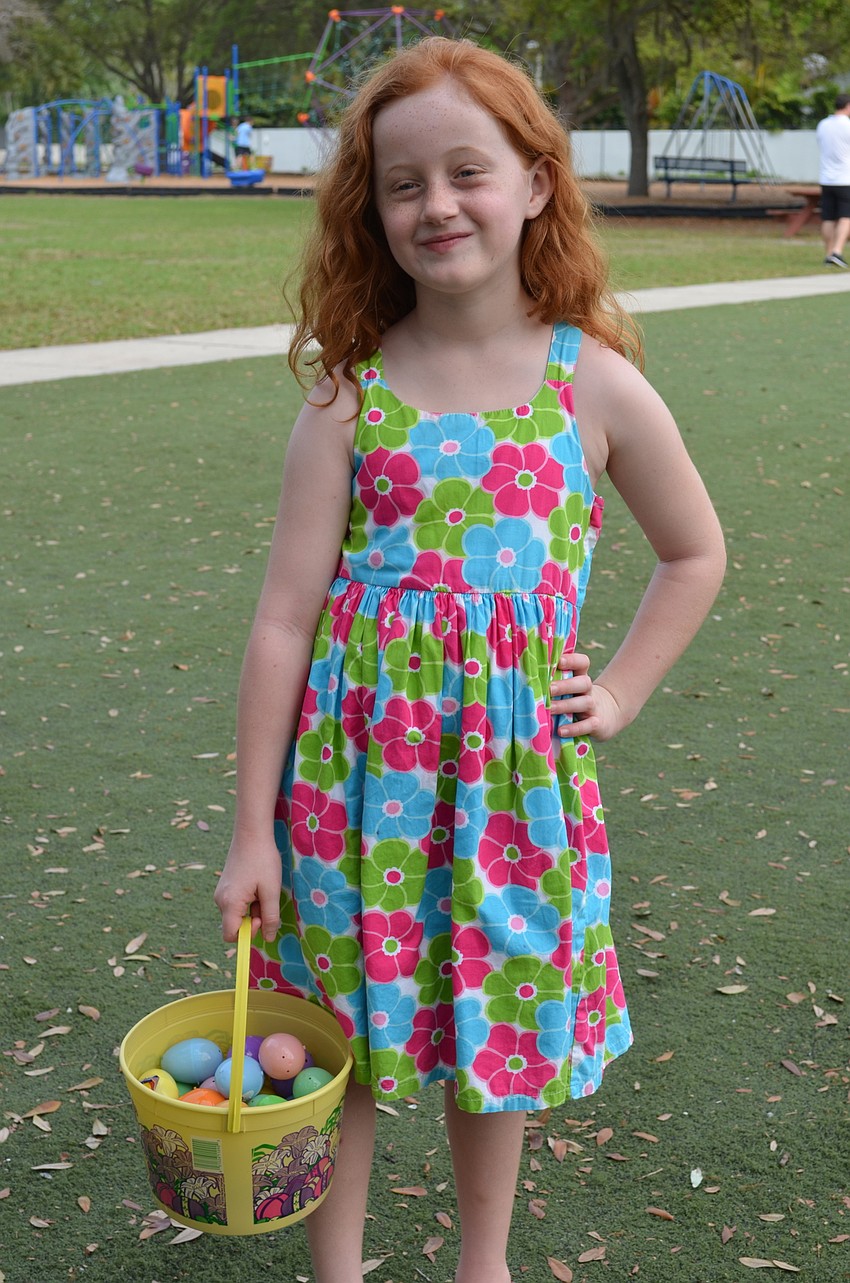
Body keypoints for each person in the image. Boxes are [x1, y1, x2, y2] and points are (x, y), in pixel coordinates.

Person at [214, 36, 726, 1283]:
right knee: (347, 1027)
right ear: (370, 209)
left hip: (510, 791)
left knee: (489, 1027)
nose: (435, 204)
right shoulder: (347, 399)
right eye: (402, 183)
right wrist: (250, 828)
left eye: (466, 171)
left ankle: (479, 1262)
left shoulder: (592, 386)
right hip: (347, 792)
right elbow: (285, 617)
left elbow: (694, 551)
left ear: (537, 182)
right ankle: (338, 1267)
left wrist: (617, 690)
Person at [816, 93, 850, 268]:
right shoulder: (847, 126)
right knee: (846, 216)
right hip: (845, 179)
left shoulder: (823, 125)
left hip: (826, 178)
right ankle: (837, 251)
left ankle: (828, 254)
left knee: (828, 217)